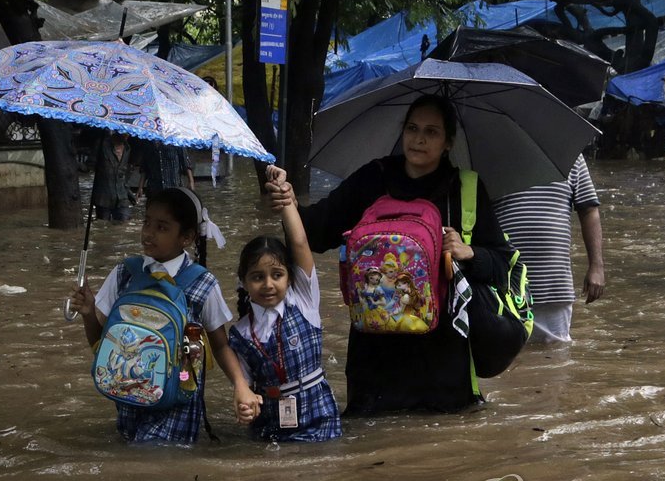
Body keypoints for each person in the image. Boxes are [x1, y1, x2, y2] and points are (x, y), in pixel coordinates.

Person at [279, 94, 516, 414]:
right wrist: (287, 203)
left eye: (431, 132)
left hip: (443, 366)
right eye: (412, 128)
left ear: (448, 142)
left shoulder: (466, 190)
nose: (419, 139)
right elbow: (315, 234)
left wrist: (469, 252)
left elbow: (503, 265)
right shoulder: (371, 179)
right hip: (373, 366)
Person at [68, 187, 261, 443]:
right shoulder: (125, 272)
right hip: (128, 396)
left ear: (187, 237)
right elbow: (101, 345)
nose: (148, 233)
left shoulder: (202, 283)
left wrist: (241, 385)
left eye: (162, 227)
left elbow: (220, 345)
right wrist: (88, 313)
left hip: (179, 401)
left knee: (152, 460)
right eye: (146, 222)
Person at [227, 164, 342, 442]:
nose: (268, 284)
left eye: (277, 275)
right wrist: (245, 407)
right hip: (271, 424)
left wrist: (286, 197)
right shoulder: (240, 334)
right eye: (257, 277)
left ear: (290, 278)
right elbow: (243, 387)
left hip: (320, 417)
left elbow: (300, 242)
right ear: (243, 281)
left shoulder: (303, 299)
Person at [494, 154, 605, 343]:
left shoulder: (569, 155)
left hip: (553, 284)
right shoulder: (489, 157)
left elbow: (589, 210)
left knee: (554, 361)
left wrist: (597, 266)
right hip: (503, 283)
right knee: (506, 357)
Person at [92, 132, 133, 222]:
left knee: (124, 223)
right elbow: (90, 164)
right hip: (103, 196)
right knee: (102, 224)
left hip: (122, 196)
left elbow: (124, 173)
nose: (127, 135)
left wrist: (129, 193)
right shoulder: (102, 144)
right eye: (124, 132)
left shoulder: (127, 148)